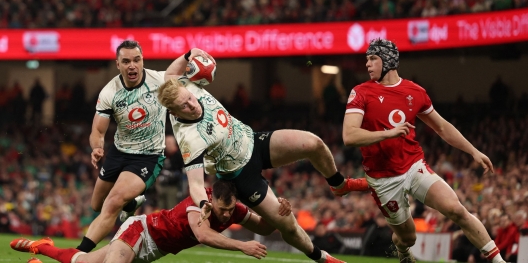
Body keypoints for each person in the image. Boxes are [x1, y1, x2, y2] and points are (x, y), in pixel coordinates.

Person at [157, 48, 369, 263]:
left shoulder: (183, 85)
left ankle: (338, 184)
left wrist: (189, 54)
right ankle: (323, 258)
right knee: (288, 225)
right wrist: (203, 203)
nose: (192, 104)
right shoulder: (189, 138)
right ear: (174, 113)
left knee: (313, 143)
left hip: (254, 142)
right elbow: (195, 183)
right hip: (239, 175)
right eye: (184, 105)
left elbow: (169, 74)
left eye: (190, 98)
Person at [342, 38, 505, 263]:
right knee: (408, 238)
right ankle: (403, 251)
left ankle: (499, 261)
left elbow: (441, 126)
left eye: (372, 59)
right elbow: (349, 136)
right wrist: (388, 133)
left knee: (456, 209)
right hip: (383, 179)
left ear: (388, 60)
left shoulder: (415, 92)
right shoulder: (360, 93)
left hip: (413, 166)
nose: (367, 64)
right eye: (367, 59)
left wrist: (473, 151)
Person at [10, 179, 291, 263]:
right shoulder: (199, 202)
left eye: (230, 211)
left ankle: (41, 247)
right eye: (222, 210)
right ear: (212, 199)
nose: (227, 215)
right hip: (141, 232)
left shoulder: (235, 209)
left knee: (80, 262)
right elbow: (203, 236)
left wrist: (280, 214)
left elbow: (265, 226)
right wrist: (242, 247)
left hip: (152, 251)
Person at [78, 40, 180, 253]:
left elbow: (186, 81)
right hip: (118, 152)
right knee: (97, 205)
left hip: (148, 156)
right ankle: (130, 205)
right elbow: (97, 131)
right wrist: (97, 148)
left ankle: (79, 253)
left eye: (137, 60)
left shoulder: (160, 80)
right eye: (126, 61)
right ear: (118, 64)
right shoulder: (110, 92)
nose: (132, 65)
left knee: (113, 201)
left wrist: (191, 57)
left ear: (143, 60)